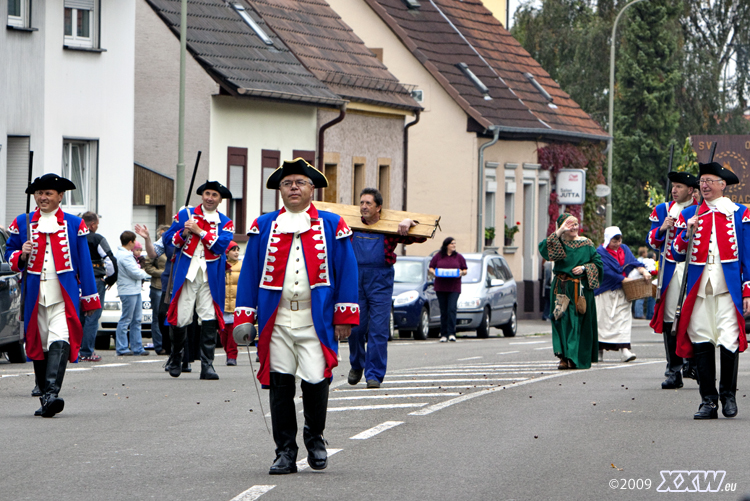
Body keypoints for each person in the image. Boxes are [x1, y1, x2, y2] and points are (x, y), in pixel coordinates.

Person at [233, 158, 359, 475]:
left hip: (314, 319)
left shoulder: (332, 224)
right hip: (276, 321)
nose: (293, 188)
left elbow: (347, 270)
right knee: (280, 385)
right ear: (280, 190)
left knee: (316, 380)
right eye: (287, 183)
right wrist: (244, 318)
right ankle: (285, 452)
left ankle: (315, 439)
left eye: (299, 183)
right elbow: (249, 273)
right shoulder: (264, 226)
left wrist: (345, 315)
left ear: (311, 189)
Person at [5, 173, 101, 417]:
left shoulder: (73, 224)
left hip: (62, 294)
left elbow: (84, 263)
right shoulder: (22, 222)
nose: (42, 197)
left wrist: (89, 297)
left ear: (60, 196)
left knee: (60, 339)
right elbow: (10, 253)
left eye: (48, 193)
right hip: (35, 294)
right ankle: (46, 394)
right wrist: (21, 254)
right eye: (39, 193)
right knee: (38, 342)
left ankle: (51, 394)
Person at [672, 162, 750, 419]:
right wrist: (687, 233)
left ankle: (728, 395)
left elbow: (748, 255)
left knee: (729, 341)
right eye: (701, 180)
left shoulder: (740, 213)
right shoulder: (690, 215)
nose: (703, 185)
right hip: (700, 290)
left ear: (722, 185)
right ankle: (708, 400)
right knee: (702, 342)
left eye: (709, 180)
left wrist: (748, 289)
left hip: (728, 290)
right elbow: (676, 253)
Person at [348, 187, 426, 388]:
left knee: (378, 329)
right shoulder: (350, 227)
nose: (364, 207)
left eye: (368, 203)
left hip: (380, 282)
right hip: (355, 280)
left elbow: (421, 234)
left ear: (378, 208)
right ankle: (357, 364)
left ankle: (374, 374)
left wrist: (409, 222)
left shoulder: (390, 229)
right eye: (362, 203)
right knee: (355, 328)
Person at [161, 181, 234, 380]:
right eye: (207, 194)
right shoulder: (185, 214)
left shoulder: (226, 222)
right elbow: (168, 240)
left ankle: (207, 365)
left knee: (209, 316)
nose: (210, 198)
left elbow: (220, 247)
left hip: (211, 275)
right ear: (202, 195)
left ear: (220, 200)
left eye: (214, 195)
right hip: (187, 273)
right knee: (182, 316)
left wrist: (199, 231)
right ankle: (176, 358)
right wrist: (184, 232)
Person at [646, 171, 700, 389]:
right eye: (673, 186)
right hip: (670, 271)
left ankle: (693, 363)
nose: (674, 190)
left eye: (679, 187)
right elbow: (652, 241)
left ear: (691, 190)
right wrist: (662, 228)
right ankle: (673, 370)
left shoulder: (700, 210)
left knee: (694, 318)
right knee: (670, 321)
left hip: (693, 270)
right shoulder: (662, 210)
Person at [539, 213, 602, 369]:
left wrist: (585, 268)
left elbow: (598, 264)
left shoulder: (586, 243)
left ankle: (575, 357)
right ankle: (563, 356)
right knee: (561, 319)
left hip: (580, 289)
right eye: (569, 225)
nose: (573, 228)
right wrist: (560, 231)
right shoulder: (558, 244)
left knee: (578, 321)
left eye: (575, 224)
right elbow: (544, 249)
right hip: (561, 287)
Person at [595, 226, 650, 363]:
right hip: (605, 291)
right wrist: (624, 279)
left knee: (624, 320)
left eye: (619, 240)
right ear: (608, 240)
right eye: (615, 241)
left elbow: (634, 262)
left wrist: (644, 271)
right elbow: (606, 271)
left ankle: (625, 350)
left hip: (623, 291)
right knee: (602, 322)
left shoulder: (624, 249)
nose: (618, 243)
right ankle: (598, 350)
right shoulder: (600, 252)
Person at [78, 211, 118, 363]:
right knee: (92, 316)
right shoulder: (97, 238)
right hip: (95, 280)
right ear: (92, 224)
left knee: (79, 316)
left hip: (77, 280)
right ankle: (87, 351)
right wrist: (110, 279)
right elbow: (110, 261)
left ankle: (75, 350)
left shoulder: (74, 238)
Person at [114, 231, 151, 356]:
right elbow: (135, 272)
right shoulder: (125, 256)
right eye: (134, 241)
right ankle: (122, 347)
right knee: (127, 319)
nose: (135, 243)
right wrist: (147, 274)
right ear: (130, 242)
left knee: (136, 319)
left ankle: (137, 347)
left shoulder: (124, 254)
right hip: (128, 290)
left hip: (133, 289)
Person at [428, 237, 468, 342]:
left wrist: (462, 272)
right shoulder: (438, 256)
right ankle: (443, 334)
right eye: (452, 244)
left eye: (455, 243)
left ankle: (451, 333)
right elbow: (431, 267)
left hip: (454, 287)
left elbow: (465, 269)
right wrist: (434, 272)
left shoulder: (459, 257)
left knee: (451, 309)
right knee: (443, 310)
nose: (454, 245)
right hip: (441, 286)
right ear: (446, 245)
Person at [143, 225, 169, 354]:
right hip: (158, 286)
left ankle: (169, 343)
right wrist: (163, 272)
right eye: (160, 235)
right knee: (158, 316)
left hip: (171, 286)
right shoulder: (156, 249)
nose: (162, 237)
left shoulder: (173, 247)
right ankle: (159, 346)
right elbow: (148, 267)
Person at [219, 241, 241, 366]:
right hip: (222, 305)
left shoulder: (242, 266)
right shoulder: (221, 265)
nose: (236, 252)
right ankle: (227, 352)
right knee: (223, 333)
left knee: (233, 332)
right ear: (227, 252)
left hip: (235, 305)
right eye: (233, 250)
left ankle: (232, 356)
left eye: (238, 250)